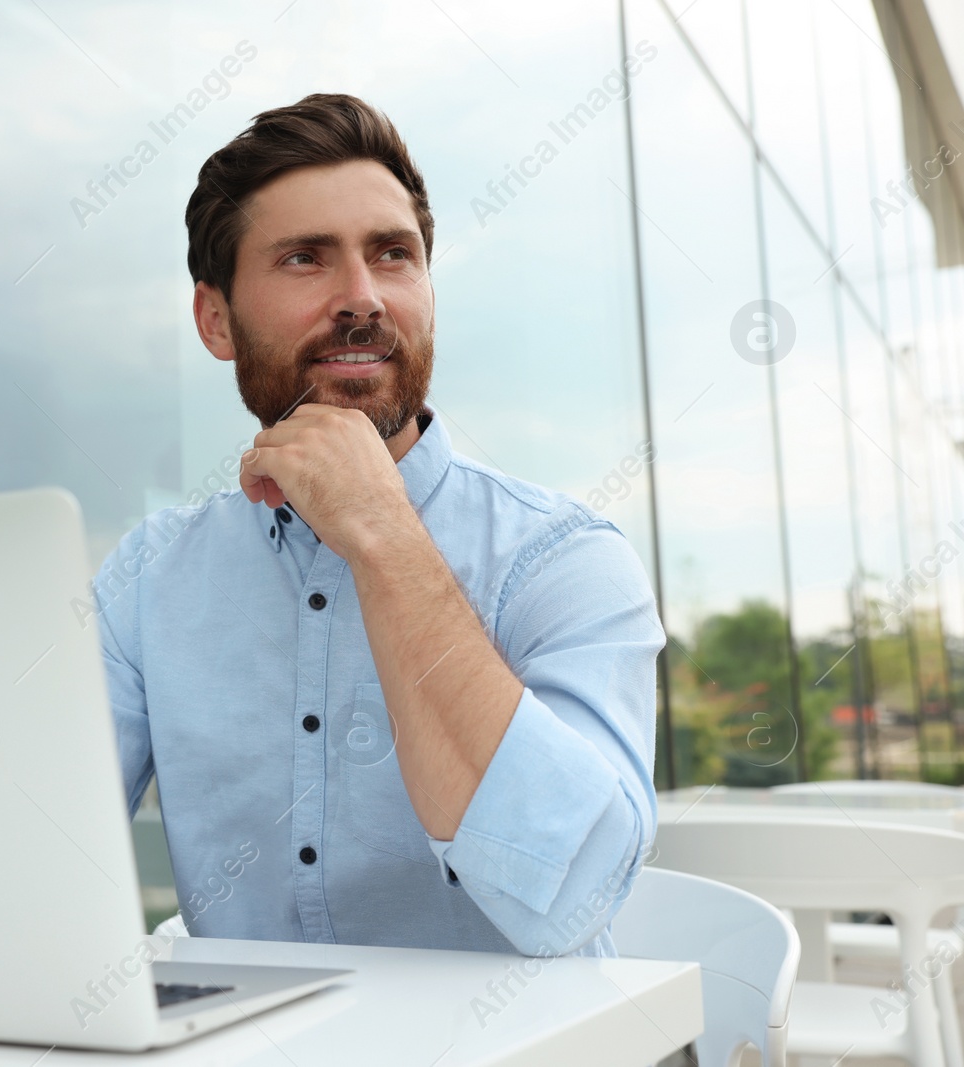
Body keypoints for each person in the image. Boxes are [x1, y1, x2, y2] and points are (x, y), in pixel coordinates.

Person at [91, 93, 662, 957]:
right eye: (304, 259)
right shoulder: (150, 578)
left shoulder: (564, 559)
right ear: (216, 320)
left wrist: (382, 532)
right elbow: (28, 854)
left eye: (393, 254)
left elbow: (570, 901)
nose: (361, 299)